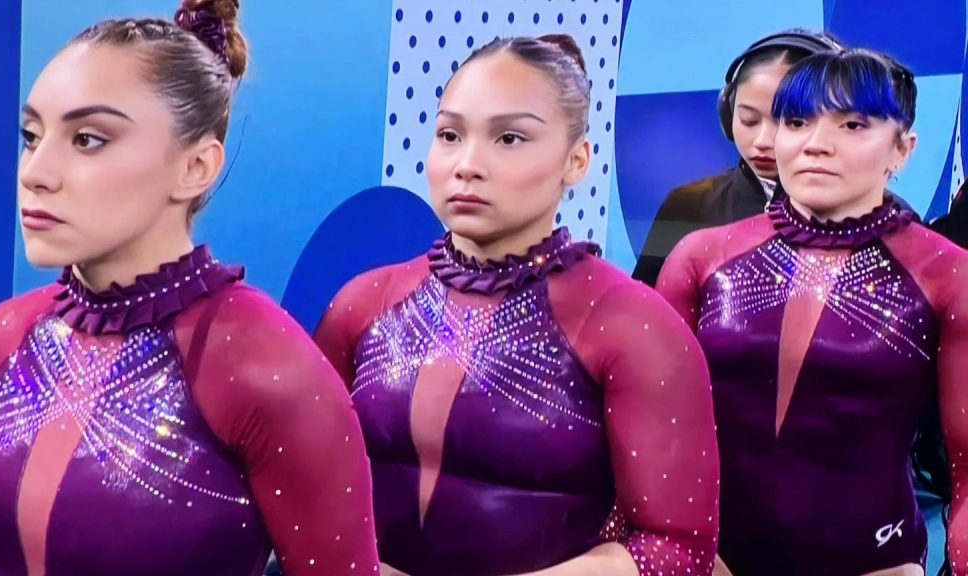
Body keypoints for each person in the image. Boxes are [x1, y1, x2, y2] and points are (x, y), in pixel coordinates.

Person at [0, 2, 378, 574]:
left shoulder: (267, 368)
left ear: (195, 169)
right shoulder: (0, 340)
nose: (35, 172)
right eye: (32, 135)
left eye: (87, 139)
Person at [315, 34, 719, 576]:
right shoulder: (363, 303)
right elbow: (298, 490)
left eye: (508, 138)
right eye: (449, 134)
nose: (467, 164)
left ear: (576, 161)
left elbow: (675, 547)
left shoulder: (634, 327)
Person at [658, 47, 968, 576]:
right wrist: (682, 550)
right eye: (797, 121)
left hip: (876, 563)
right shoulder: (701, 256)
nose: (816, 144)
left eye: (852, 124)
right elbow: (653, 434)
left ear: (903, 149)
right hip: (712, 561)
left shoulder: (946, 273)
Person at [632, 29, 842, 287]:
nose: (762, 141)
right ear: (727, 112)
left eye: (790, 121)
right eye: (749, 120)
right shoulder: (688, 206)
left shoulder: (881, 223)